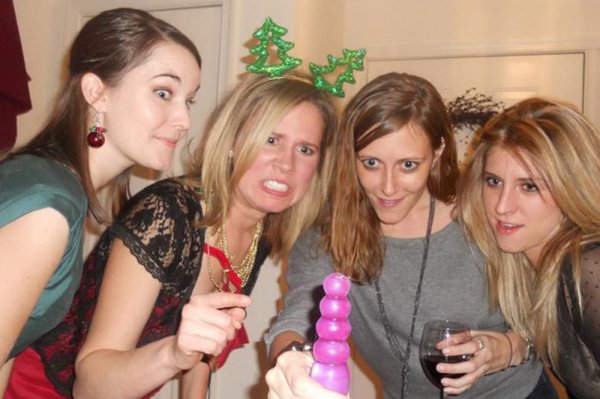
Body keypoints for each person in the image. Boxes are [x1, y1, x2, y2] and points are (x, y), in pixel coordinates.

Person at [5, 69, 338, 398]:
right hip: (37, 388)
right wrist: (174, 354)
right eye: (271, 140)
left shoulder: (260, 228)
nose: (286, 164)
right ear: (235, 142)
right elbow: (89, 385)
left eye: (305, 149)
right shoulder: (167, 213)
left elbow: (203, 348)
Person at [264, 72, 555, 399]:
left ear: (438, 151)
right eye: (371, 163)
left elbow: (546, 318)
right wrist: (291, 360)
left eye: (408, 165)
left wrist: (509, 348)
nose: (388, 187)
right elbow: (300, 314)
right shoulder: (327, 234)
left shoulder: (482, 215)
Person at [0, 7, 202, 395]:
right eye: (164, 93)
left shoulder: (55, 184)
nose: (184, 120)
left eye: (188, 100)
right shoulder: (48, 206)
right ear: (96, 92)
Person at [457, 97, 600, 399]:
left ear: (571, 188)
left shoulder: (587, 267)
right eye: (493, 181)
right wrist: (510, 348)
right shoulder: (540, 266)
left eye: (529, 186)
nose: (502, 206)